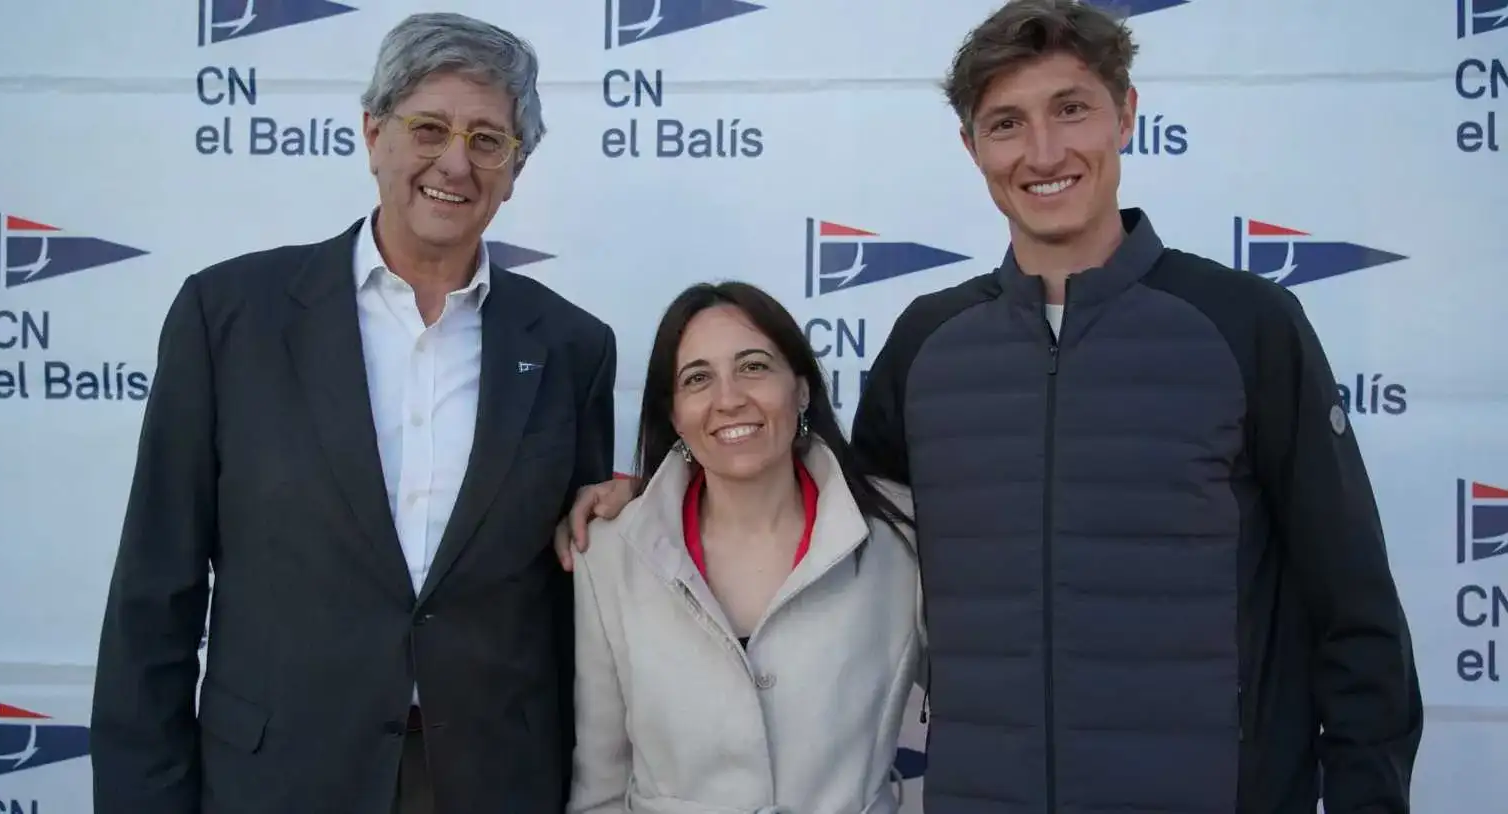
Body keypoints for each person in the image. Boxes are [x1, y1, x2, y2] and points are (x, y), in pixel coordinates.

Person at [556, 1, 1423, 812]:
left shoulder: (1244, 326)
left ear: (1126, 115)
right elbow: (833, 529)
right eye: (1006, 123)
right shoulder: (928, 342)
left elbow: (1354, 612)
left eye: (1071, 110)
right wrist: (649, 496)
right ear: (972, 147)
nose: (1042, 153)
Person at [91, 13, 616, 814]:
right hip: (277, 779)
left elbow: (580, 590)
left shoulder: (573, 347)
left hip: (494, 783)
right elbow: (153, 593)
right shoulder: (228, 317)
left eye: (487, 140)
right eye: (429, 128)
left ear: (515, 169)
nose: (455, 162)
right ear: (374, 135)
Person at [566, 281, 925, 814]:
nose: (729, 398)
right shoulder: (609, 553)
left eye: (754, 366)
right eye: (697, 378)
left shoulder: (902, 535)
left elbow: (992, 705)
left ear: (801, 390)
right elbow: (601, 788)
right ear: (675, 414)